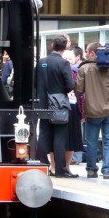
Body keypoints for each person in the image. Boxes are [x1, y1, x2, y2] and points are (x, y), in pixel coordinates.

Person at [36, 35, 76, 178]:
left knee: (44, 134)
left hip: (43, 104)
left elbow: (36, 83)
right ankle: (60, 170)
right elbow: (70, 85)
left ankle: (41, 165)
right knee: (59, 136)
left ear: (52, 45)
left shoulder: (41, 62)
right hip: (59, 105)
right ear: (65, 47)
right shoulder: (63, 64)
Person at [75, 42, 109, 179]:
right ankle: (108, 171)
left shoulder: (85, 68)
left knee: (92, 141)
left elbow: (79, 90)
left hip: (92, 111)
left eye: (87, 51)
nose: (85, 54)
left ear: (93, 53)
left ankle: (92, 170)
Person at [61, 49, 84, 169]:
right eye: (66, 59)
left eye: (70, 59)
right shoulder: (58, 72)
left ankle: (68, 166)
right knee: (61, 137)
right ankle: (57, 166)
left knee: (72, 139)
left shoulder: (76, 72)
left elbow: (80, 93)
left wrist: (82, 112)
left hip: (74, 106)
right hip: (60, 106)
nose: (68, 61)